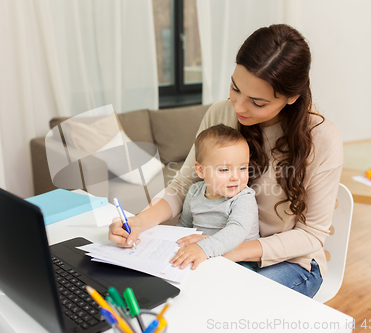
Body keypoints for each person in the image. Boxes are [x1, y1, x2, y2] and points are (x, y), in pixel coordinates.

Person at [108, 24, 343, 298]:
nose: (238, 106)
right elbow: (185, 184)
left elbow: (311, 235)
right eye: (235, 87)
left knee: (228, 304)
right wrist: (139, 222)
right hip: (218, 247)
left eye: (257, 102)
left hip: (289, 262)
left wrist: (225, 250)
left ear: (292, 97)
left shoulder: (322, 139)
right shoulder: (222, 112)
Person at [170, 124, 260, 270]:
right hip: (202, 255)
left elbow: (236, 231)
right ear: (201, 170)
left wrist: (203, 249)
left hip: (240, 262)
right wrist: (175, 245)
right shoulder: (194, 191)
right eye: (224, 169)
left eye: (243, 168)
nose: (236, 177)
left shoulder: (244, 197)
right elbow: (184, 225)